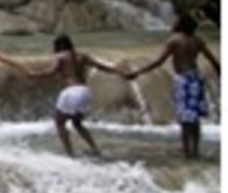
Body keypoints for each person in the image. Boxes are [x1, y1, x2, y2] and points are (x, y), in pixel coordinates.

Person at [126, 15, 221, 159]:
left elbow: (158, 61)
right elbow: (213, 61)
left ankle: (186, 151)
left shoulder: (174, 41)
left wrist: (138, 72)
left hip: (183, 79)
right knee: (194, 119)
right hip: (196, 78)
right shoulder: (197, 41)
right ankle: (195, 149)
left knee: (184, 118)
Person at [33, 35, 128, 158]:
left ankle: (69, 153)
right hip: (85, 92)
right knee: (77, 123)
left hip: (70, 91)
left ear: (59, 46)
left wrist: (36, 75)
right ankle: (94, 148)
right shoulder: (83, 56)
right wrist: (120, 72)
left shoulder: (60, 57)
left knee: (59, 122)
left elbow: (51, 71)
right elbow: (101, 67)